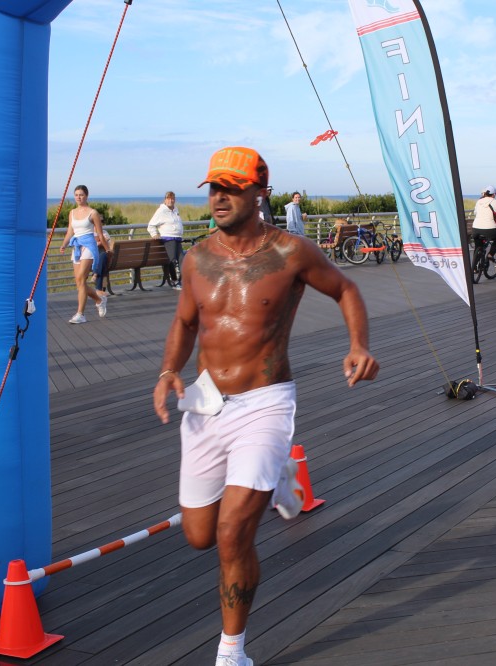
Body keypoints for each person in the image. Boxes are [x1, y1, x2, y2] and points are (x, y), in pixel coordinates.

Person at [152, 146, 378, 666]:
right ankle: (278, 479)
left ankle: (231, 653)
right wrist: (168, 372)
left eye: (231, 188)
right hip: (205, 404)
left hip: (265, 402)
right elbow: (185, 322)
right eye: (214, 188)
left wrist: (359, 345)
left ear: (259, 193)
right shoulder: (197, 257)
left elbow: (345, 288)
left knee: (233, 534)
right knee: (200, 536)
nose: (219, 197)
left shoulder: (290, 252)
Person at [59, 185, 106, 323]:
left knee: (81, 279)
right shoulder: (72, 212)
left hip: (89, 246)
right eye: (76, 195)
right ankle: (99, 299)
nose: (78, 197)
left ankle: (81, 314)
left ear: (86, 196)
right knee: (79, 283)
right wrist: (64, 244)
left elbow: (100, 233)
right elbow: (70, 231)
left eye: (81, 194)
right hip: (77, 247)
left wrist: (107, 248)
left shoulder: (93, 213)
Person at [148, 191, 185, 289]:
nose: (171, 200)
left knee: (182, 259)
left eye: (172, 198)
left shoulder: (175, 210)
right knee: (172, 260)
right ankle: (174, 281)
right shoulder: (161, 211)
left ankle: (182, 281)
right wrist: (154, 234)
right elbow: (151, 225)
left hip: (177, 239)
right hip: (168, 239)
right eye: (168, 198)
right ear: (165, 200)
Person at [473, 186, 496, 279]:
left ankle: (474, 267)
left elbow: (475, 213)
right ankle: (490, 254)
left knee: (478, 245)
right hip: (491, 229)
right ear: (494, 194)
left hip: (476, 228)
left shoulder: (479, 202)